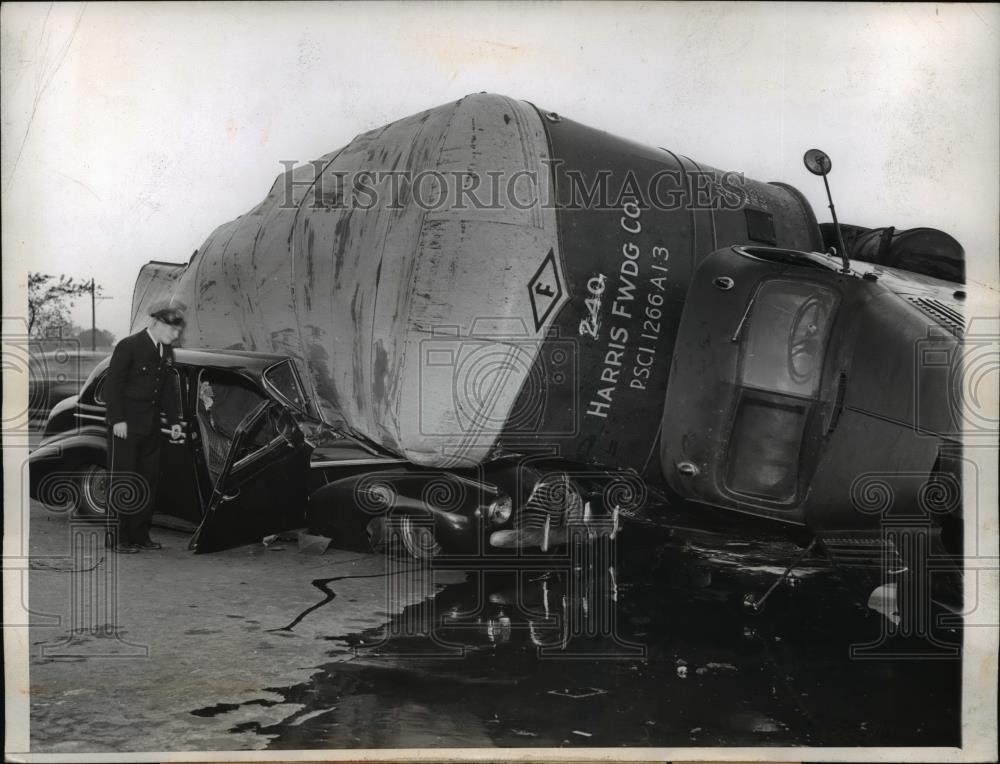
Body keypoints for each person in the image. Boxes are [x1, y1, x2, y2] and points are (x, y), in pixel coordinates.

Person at [104, 303, 185, 553]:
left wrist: (173, 423)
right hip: (125, 426)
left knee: (146, 481)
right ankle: (117, 538)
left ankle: (139, 535)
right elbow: (113, 386)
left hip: (149, 426)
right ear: (158, 324)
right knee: (123, 481)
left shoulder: (165, 351)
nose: (176, 336)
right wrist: (117, 419)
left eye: (178, 331)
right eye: (173, 330)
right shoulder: (129, 346)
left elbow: (167, 392)